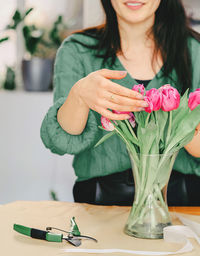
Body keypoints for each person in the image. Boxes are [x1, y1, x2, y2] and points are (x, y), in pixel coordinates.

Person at [40, 0, 200, 206]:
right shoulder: (77, 50)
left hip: (182, 200)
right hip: (99, 201)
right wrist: (79, 96)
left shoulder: (195, 50)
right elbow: (62, 141)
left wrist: (174, 116)